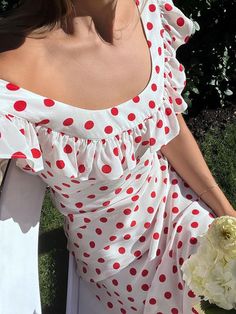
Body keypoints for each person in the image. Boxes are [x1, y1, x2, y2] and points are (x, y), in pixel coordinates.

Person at [0, 0, 235, 313]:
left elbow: (166, 123)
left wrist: (226, 211)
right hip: (122, 261)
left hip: (177, 204)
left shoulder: (146, 10)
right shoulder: (16, 66)